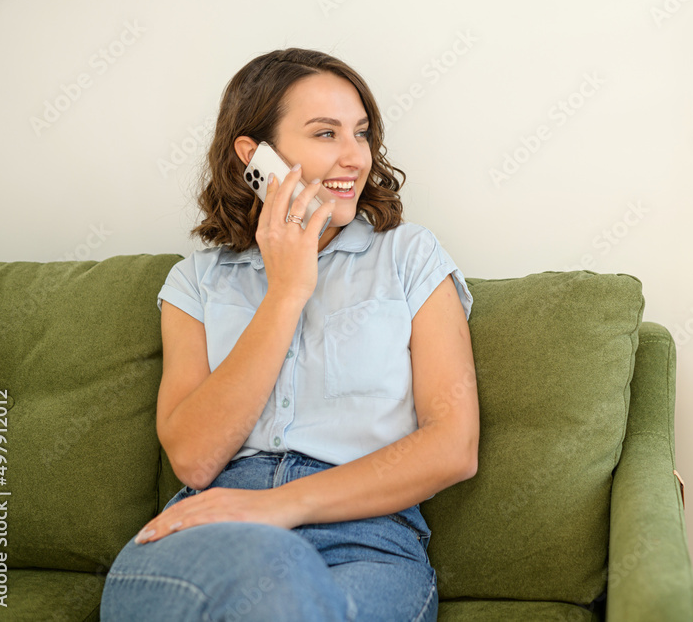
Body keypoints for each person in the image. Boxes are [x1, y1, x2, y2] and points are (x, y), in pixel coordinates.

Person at [100, 48, 479, 621]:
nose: (355, 157)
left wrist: (280, 505)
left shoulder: (410, 256)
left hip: (367, 539)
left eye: (361, 133)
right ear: (256, 157)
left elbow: (453, 445)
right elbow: (196, 461)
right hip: (218, 529)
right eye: (326, 134)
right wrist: (286, 292)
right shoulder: (196, 283)